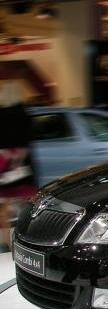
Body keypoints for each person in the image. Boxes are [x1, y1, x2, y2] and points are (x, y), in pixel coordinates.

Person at [0, 81, 37, 252]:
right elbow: (28, 140)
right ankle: (27, 239)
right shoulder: (24, 114)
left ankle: (5, 242)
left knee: (4, 205)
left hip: (4, 162)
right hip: (23, 164)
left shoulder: (1, 114)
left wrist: (8, 157)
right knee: (27, 202)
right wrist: (18, 159)